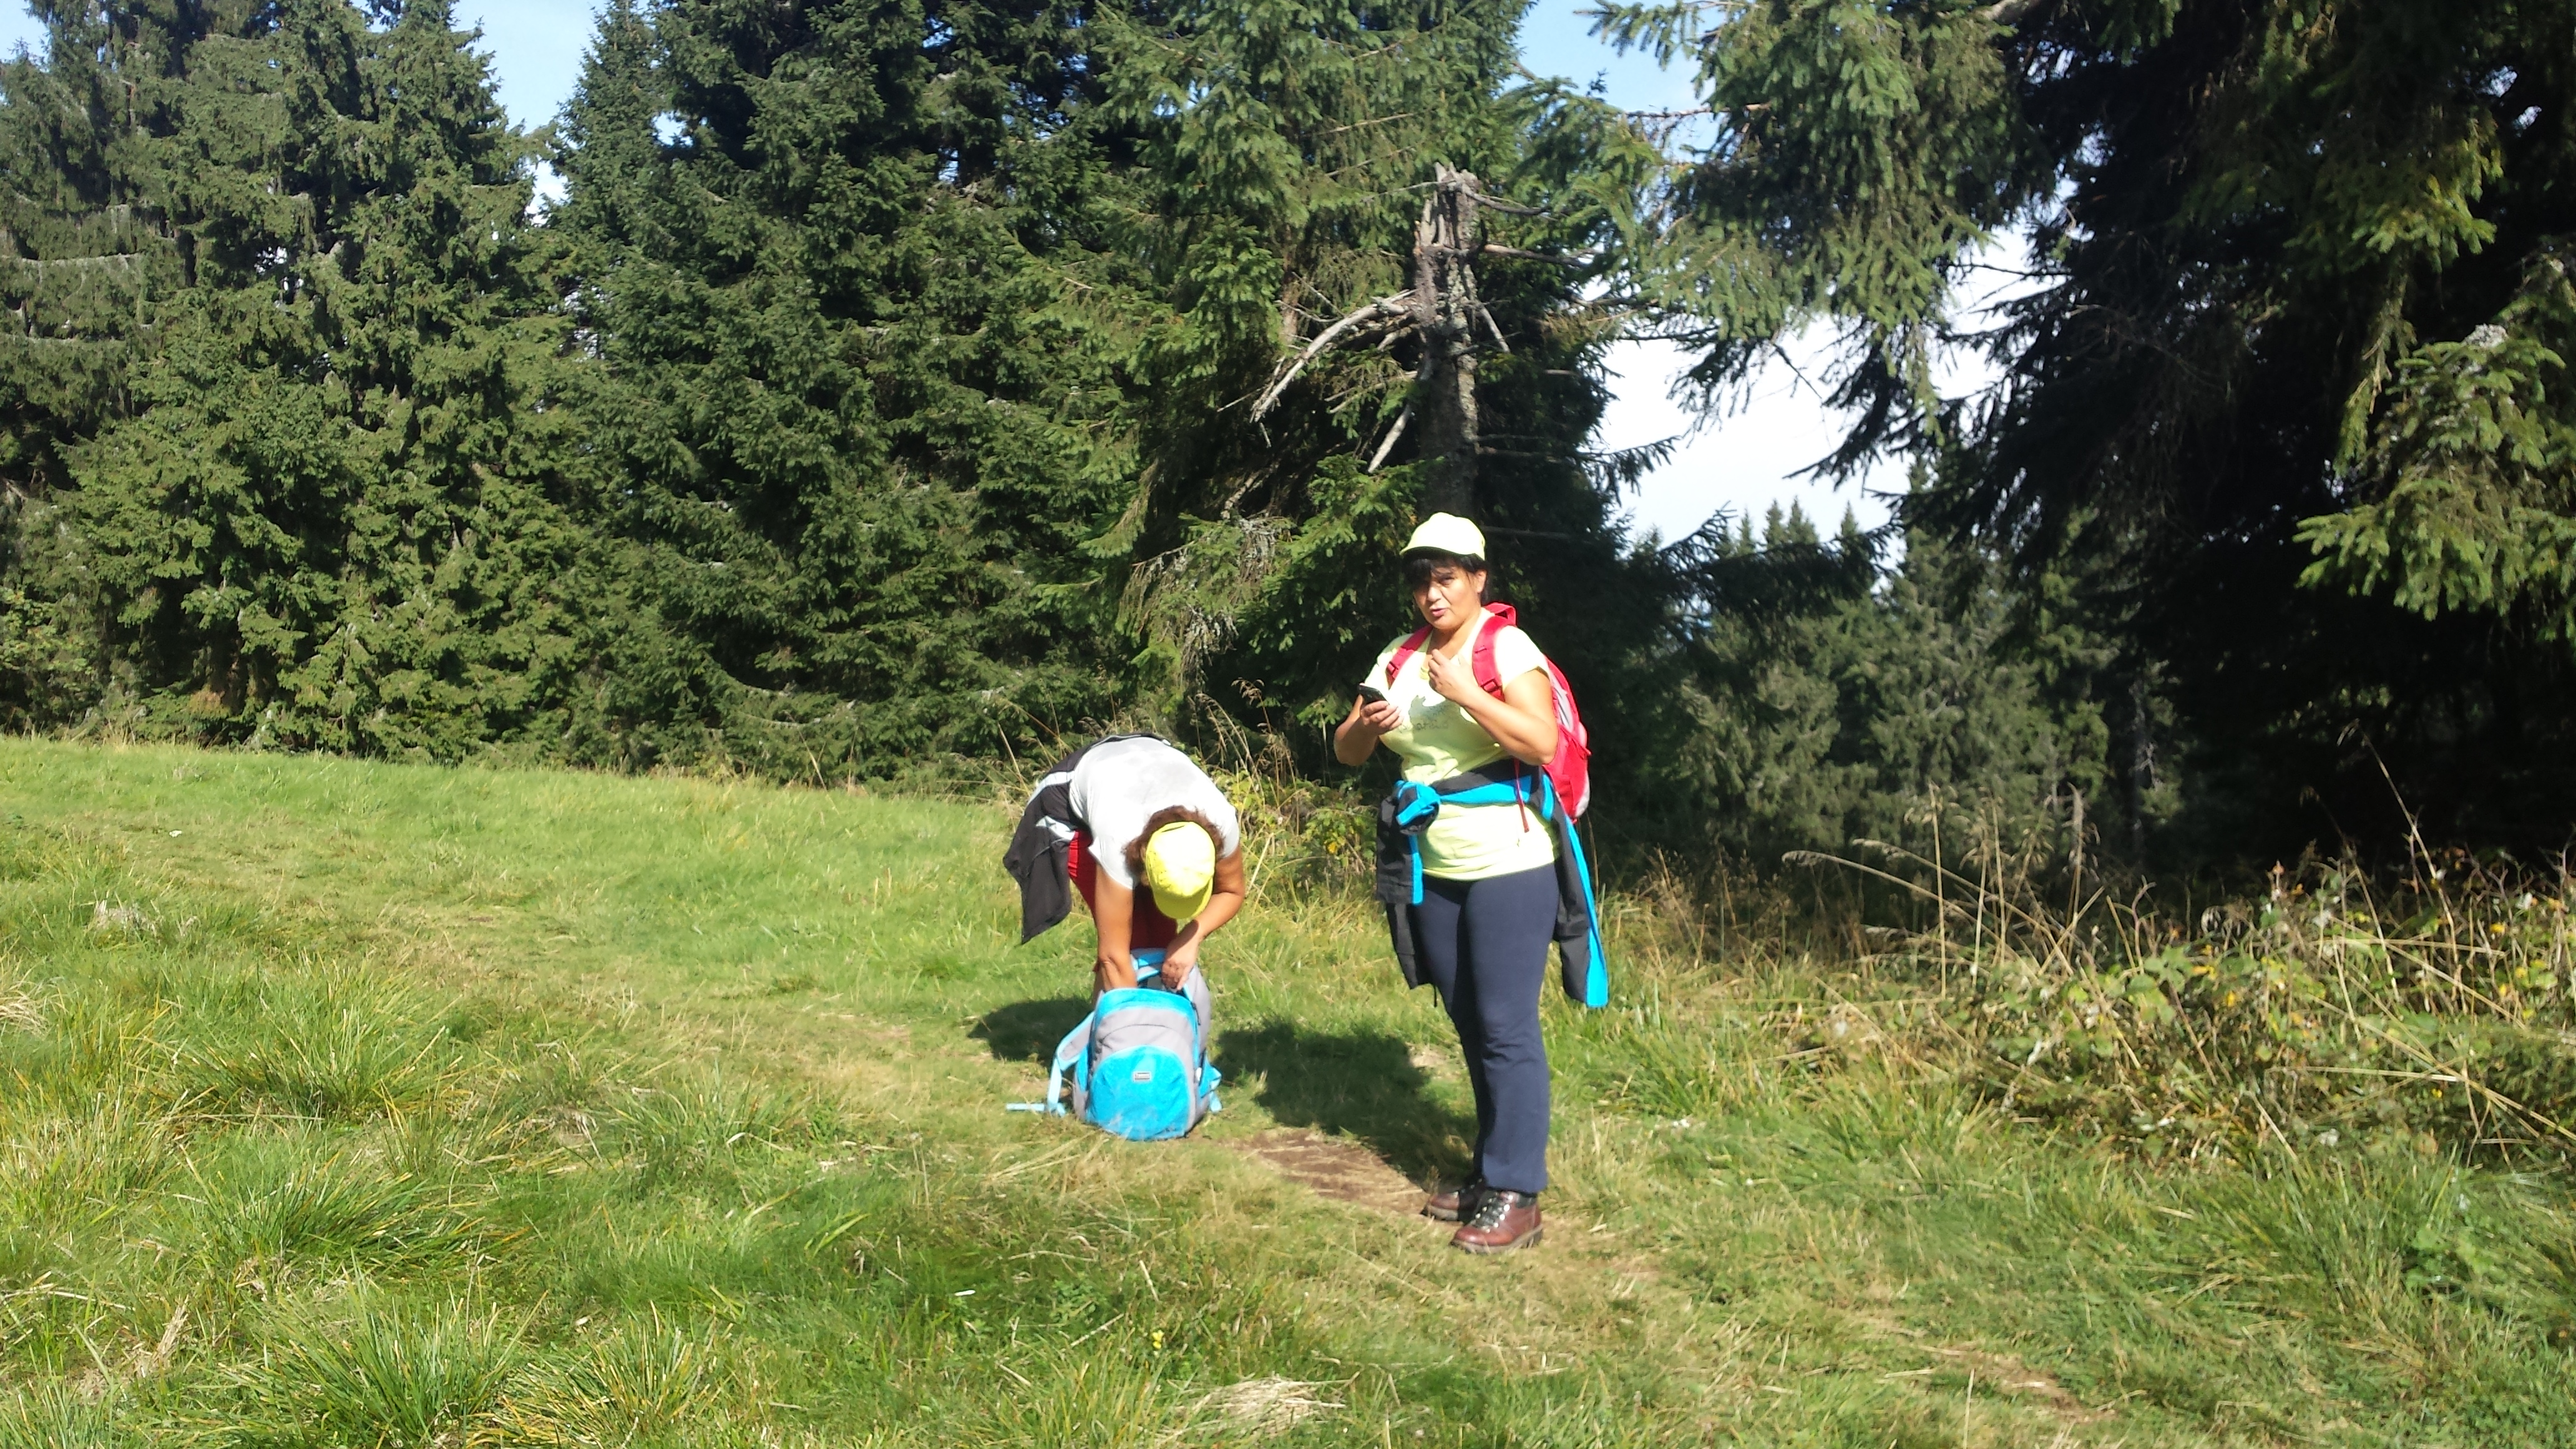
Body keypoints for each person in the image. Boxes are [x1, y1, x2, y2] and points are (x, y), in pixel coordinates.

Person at [1334, 514, 1560, 1254]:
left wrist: (1466, 692)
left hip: (1509, 863)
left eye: (1447, 579)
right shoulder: (1399, 656)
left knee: (1505, 1026)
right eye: (1422, 582)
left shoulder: (1505, 647)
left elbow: (1541, 742)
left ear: (1477, 579)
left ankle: (1518, 1195)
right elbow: (1346, 750)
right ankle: (1490, 1172)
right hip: (1431, 865)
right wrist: (1369, 725)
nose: (1433, 595)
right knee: (1469, 1021)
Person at [1004, 735, 1248, 1002]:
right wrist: (1134, 1020)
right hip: (1070, 806)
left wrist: (1192, 936)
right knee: (1133, 944)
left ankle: (1119, 1017)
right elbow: (1112, 956)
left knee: (1161, 941)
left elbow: (1232, 891)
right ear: (1146, 871)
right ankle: (1109, 1025)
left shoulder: (1220, 821)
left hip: (1142, 768)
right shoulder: (1118, 836)